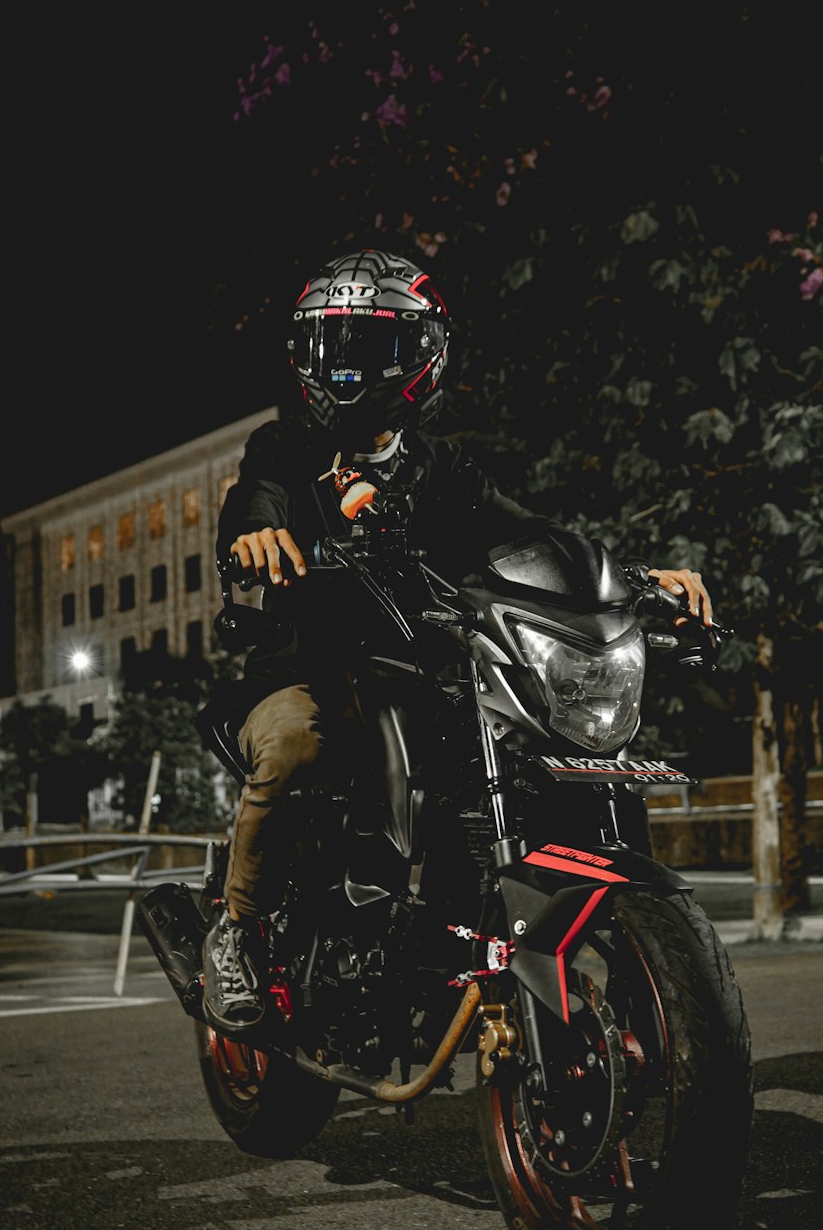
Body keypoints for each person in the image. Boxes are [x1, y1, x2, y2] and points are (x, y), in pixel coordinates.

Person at [201, 248, 712, 1034]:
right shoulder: (286, 449)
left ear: (417, 358)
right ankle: (235, 932)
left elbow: (535, 537)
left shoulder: (446, 470)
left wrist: (637, 580)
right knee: (294, 745)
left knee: (519, 748)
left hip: (429, 672)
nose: (346, 367)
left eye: (368, 348)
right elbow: (255, 500)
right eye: (332, 345)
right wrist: (261, 535)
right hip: (312, 670)